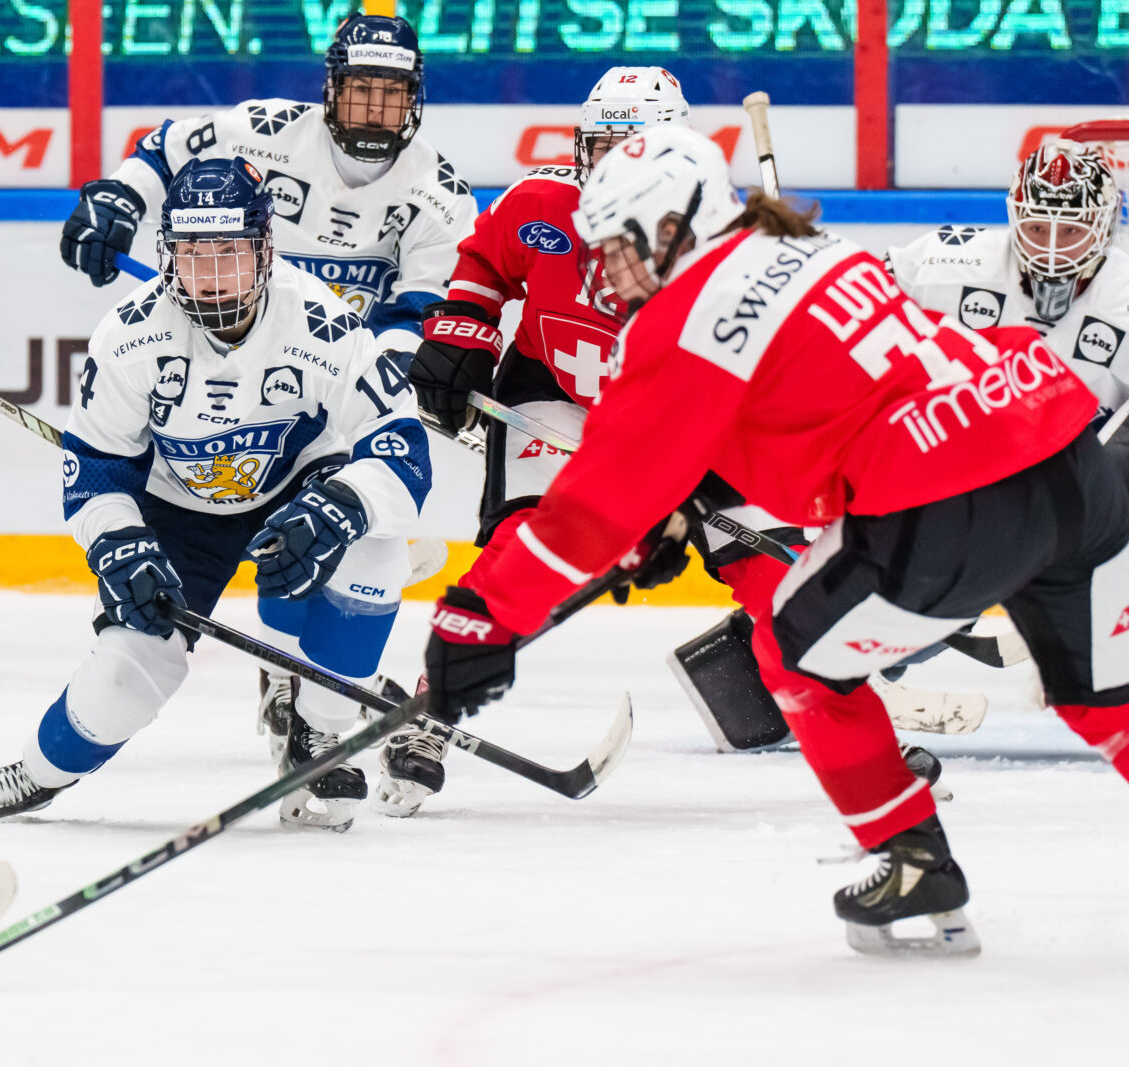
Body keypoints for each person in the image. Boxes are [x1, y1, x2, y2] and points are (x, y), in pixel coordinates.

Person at [421, 125, 1129, 955]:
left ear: (674, 226)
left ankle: (913, 859)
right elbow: (795, 405)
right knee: (1105, 700)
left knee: (793, 654)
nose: (604, 270)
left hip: (950, 498)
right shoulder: (808, 247)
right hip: (1064, 457)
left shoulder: (685, 314)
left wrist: (481, 617)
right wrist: (681, 504)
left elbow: (594, 505)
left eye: (616, 245)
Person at [0, 158, 430, 831]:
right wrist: (118, 544)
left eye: (229, 253)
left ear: (265, 249)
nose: (213, 276)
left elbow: (401, 446)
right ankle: (36, 772)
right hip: (180, 512)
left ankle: (319, 733)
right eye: (194, 254)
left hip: (298, 489)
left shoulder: (323, 322)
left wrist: (341, 507)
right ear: (168, 254)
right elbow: (95, 473)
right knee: (126, 673)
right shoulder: (130, 336)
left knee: (374, 548)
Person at [389, 68, 813, 814]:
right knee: (521, 549)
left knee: (774, 573)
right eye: (602, 145)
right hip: (556, 396)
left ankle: (827, 712)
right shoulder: (541, 203)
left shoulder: (722, 237)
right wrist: (464, 329)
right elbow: (487, 261)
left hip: (688, 418)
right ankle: (434, 708)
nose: (613, 164)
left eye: (634, 147)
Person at [58, 11, 473, 762]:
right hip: (236, 361)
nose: (374, 109)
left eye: (391, 94)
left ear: (415, 99)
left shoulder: (440, 197)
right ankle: (294, 679)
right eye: (360, 90)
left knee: (343, 534)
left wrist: (366, 377)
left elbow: (411, 318)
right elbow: (164, 149)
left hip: (326, 387)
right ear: (330, 89)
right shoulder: (264, 131)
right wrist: (120, 196)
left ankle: (303, 686)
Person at [890, 139, 1129, 449]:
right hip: (964, 455)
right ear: (1016, 220)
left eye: (1071, 230)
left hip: (1083, 470)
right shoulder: (945, 262)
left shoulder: (1121, 292)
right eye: (1037, 228)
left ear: (1104, 229)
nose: (1051, 249)